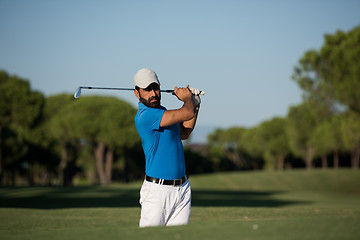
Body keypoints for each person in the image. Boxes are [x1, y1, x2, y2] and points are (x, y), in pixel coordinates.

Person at [133, 68, 201, 227]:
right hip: (157, 192)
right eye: (147, 90)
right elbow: (186, 112)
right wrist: (187, 99)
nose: (153, 93)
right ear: (137, 93)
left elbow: (184, 133)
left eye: (155, 88)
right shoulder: (145, 116)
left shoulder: (164, 113)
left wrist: (195, 103)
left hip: (182, 189)